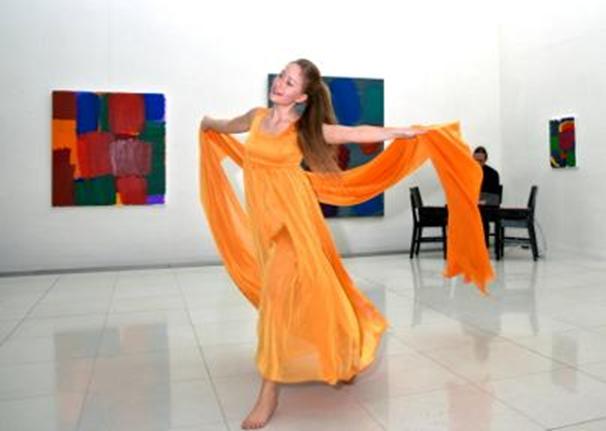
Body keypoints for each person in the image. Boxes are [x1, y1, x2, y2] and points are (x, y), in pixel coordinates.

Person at [199, 59, 493, 429]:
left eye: (290, 82)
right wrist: (208, 122)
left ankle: (268, 391)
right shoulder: (256, 117)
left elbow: (356, 133)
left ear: (302, 96)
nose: (280, 84)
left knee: (275, 299)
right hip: (265, 224)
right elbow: (226, 126)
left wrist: (402, 131)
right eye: (282, 77)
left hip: (294, 222)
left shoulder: (306, 129)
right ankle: (346, 350)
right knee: (314, 292)